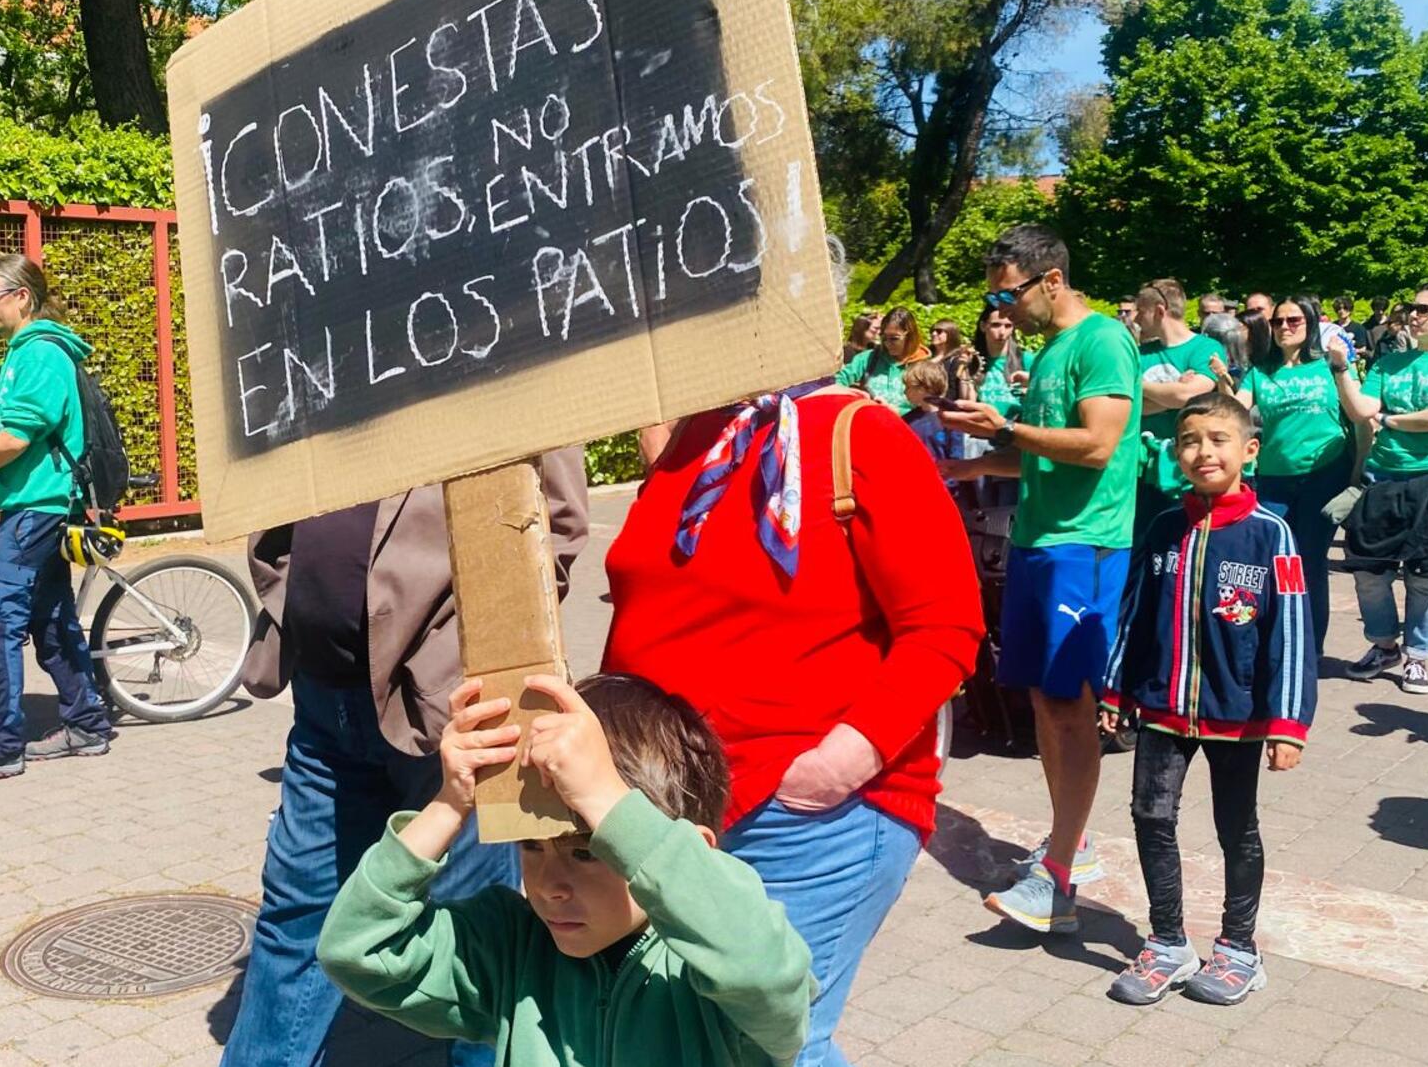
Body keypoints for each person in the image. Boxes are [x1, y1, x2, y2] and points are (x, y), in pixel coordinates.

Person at [605, 377, 982, 1066]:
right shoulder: (699, 432)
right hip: (673, 809)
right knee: (693, 1038)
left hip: (803, 818)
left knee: (769, 1046)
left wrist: (837, 763)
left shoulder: (862, 435)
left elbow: (945, 627)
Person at [225, 455, 590, 1067]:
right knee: (296, 916)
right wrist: (296, 600)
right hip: (324, 702)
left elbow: (555, 521)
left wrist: (483, 649)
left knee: (476, 939)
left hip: (457, 712)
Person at [317, 674, 815, 1067]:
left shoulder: (710, 979)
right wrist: (448, 805)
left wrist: (605, 800)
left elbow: (766, 977)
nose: (548, 887)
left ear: (691, 850)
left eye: (586, 853)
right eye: (532, 846)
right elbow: (356, 950)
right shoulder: (513, 948)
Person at [939, 224, 1141, 934]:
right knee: (1043, 703)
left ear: (1051, 279)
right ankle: (1068, 844)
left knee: (1066, 703)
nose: (1001, 307)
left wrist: (1003, 430)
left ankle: (1060, 875)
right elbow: (1040, 455)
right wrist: (967, 465)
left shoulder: (1102, 340)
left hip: (1084, 544)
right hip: (1036, 539)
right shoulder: (1050, 350)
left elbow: (1098, 444)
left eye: (1009, 293)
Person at [1101, 392, 1315, 1007]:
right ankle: (1167, 942)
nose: (1203, 452)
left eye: (1218, 440)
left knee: (1236, 827)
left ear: (1249, 450)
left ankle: (1239, 948)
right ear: (1176, 452)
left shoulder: (1273, 536)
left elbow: (1292, 630)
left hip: (1236, 715)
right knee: (1150, 816)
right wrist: (1116, 688)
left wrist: (1288, 722)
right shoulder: (1164, 527)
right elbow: (1134, 613)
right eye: (1190, 441)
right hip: (1161, 707)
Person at [0, 254, 114, 783]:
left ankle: (0, 745)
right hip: (31, 504)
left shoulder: (42, 355)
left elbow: (15, 437)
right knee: (49, 619)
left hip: (40, 506)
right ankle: (87, 724)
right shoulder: (18, 355)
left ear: (22, 297)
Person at [1330, 280, 1428, 695]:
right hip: (1384, 476)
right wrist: (1341, 370)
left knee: (1427, 576)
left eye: (1423, 310)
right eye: (1411, 308)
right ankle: (1385, 646)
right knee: (1368, 570)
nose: (1413, 316)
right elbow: (1361, 410)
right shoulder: (1389, 363)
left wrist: (1389, 420)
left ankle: (1418, 656)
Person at [1237, 296, 1353, 654]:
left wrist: (1359, 473)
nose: (1284, 327)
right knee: (1275, 560)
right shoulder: (1260, 371)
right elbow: (1235, 411)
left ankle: (1310, 647)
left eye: (1293, 320)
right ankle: (1277, 639)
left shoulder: (1329, 365)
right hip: (1275, 478)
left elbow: (1359, 413)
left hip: (1325, 476)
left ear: (1311, 323)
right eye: (1277, 322)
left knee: (1309, 561)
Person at [1135, 278, 1226, 535]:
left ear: (1159, 310)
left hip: (1188, 470)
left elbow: (1190, 396)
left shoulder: (1206, 347)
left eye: (1141, 311)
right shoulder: (1139, 353)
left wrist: (1138, 384)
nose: (1136, 319)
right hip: (1144, 469)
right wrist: (1172, 393)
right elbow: (1131, 406)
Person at [837, 305, 929, 412]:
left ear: (910, 336)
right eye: (884, 338)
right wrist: (853, 396)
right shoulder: (869, 358)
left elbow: (929, 404)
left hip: (908, 421)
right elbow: (840, 379)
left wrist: (896, 411)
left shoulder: (924, 366)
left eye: (894, 338)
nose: (887, 343)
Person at [902, 360, 967, 470]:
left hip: (943, 477)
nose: (905, 392)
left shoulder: (951, 418)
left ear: (923, 388)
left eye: (908, 387)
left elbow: (956, 457)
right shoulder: (907, 420)